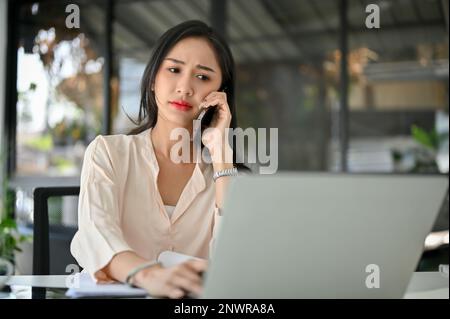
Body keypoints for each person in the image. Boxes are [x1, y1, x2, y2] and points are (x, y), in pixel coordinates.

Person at [70, 20, 247, 299]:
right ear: (153, 79)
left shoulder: (227, 176)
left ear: (220, 92)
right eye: (174, 70)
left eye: (203, 77)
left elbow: (236, 264)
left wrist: (222, 155)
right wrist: (150, 276)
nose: (185, 87)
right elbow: (97, 235)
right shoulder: (108, 153)